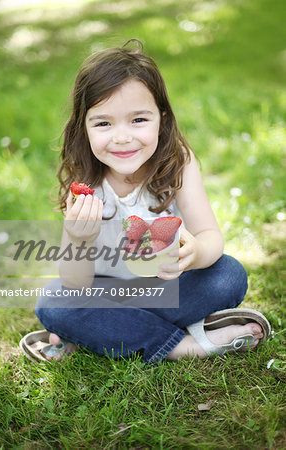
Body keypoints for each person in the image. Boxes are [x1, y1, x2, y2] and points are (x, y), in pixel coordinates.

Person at [20, 39, 270, 364]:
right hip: (105, 291)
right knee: (54, 301)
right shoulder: (84, 185)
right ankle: (187, 346)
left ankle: (101, 333)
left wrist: (194, 254)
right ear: (84, 127)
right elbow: (76, 282)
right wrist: (79, 237)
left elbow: (210, 237)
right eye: (104, 123)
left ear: (162, 120)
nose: (122, 137)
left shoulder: (179, 163)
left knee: (228, 275)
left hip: (166, 287)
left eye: (138, 120)